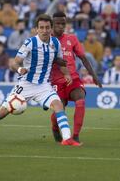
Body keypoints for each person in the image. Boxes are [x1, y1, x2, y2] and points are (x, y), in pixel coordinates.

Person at [0, 14, 81, 146]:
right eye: (41, 27)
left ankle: (67, 139)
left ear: (51, 28)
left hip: (43, 86)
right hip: (25, 85)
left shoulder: (56, 43)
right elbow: (14, 63)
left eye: (47, 27)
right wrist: (20, 70)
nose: (44, 30)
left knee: (58, 105)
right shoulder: (30, 43)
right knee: (1, 113)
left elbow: (60, 61)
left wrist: (66, 74)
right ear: (36, 29)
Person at [50, 12, 102, 144]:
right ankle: (55, 128)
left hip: (73, 79)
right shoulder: (47, 41)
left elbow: (83, 57)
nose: (61, 26)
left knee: (80, 101)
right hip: (56, 81)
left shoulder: (72, 38)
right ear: (52, 25)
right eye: (58, 24)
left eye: (63, 24)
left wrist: (94, 75)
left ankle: (76, 135)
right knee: (60, 108)